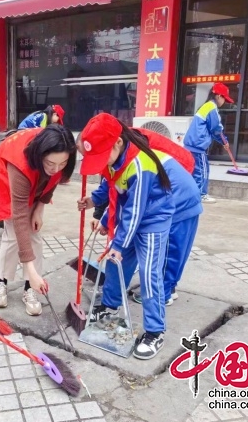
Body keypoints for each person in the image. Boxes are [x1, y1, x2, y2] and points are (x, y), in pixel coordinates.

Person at [77, 113, 175, 360]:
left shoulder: (140, 165)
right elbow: (110, 185)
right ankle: (110, 305)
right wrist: (93, 200)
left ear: (118, 142)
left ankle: (155, 331)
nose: (100, 163)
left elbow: (135, 210)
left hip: (152, 220)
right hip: (132, 219)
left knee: (149, 273)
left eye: (101, 155)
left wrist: (119, 242)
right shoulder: (114, 159)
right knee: (115, 261)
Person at [0, 124, 77, 315]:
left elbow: (53, 180)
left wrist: (40, 207)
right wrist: (30, 268)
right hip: (5, 184)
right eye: (51, 164)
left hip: (34, 185)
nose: (56, 168)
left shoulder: (58, 156)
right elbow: (19, 215)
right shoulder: (20, 162)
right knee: (12, 235)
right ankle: (2, 281)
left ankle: (30, 287)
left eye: (62, 164)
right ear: (41, 154)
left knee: (34, 234)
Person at [184, 82, 234, 204]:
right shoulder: (212, 108)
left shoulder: (205, 106)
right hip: (198, 146)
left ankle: (192, 194)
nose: (224, 102)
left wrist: (223, 141)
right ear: (218, 96)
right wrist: (224, 141)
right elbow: (216, 128)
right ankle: (201, 194)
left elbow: (212, 129)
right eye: (224, 99)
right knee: (203, 170)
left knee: (194, 171)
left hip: (191, 145)